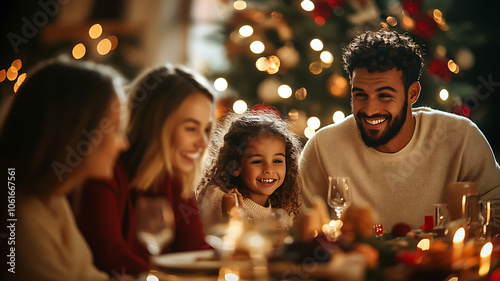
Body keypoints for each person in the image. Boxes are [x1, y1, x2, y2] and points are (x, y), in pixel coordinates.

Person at [299, 29, 500, 231]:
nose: (370, 109)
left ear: (413, 93)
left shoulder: (461, 136)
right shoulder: (322, 147)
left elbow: (497, 210)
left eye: (384, 96)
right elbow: (300, 228)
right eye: (360, 95)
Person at [75, 64, 214, 276]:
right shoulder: (104, 172)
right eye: (191, 128)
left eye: (205, 129)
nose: (203, 143)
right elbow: (109, 257)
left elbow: (195, 249)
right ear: (155, 125)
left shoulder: (177, 177)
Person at [0, 59, 129, 281]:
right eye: (114, 128)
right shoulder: (19, 215)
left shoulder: (53, 197)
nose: (123, 144)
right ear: (78, 132)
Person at [197, 110, 302, 231]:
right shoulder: (220, 198)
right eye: (257, 161)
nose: (268, 169)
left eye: (277, 161)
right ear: (235, 166)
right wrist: (231, 215)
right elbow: (216, 244)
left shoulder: (283, 207)